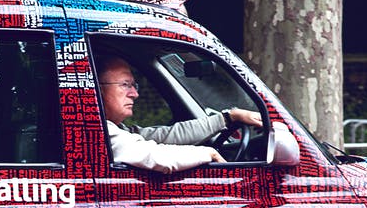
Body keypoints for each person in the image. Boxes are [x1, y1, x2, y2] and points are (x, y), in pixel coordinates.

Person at [98, 56, 264, 173]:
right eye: (125, 85)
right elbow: (154, 156)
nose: (135, 94)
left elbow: (161, 136)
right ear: (96, 89)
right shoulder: (96, 132)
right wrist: (207, 153)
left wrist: (228, 118)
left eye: (134, 86)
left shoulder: (116, 129)